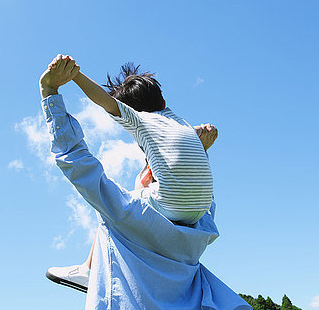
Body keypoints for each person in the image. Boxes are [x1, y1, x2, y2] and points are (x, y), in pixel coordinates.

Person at [40, 55, 252, 310]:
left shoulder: (127, 218)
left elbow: (76, 159)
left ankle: (87, 270)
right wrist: (199, 152)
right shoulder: (200, 230)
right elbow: (194, 185)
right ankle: (87, 270)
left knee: (107, 215)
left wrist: (50, 93)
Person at [46, 55, 217, 292]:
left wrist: (73, 75)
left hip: (171, 203)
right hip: (201, 211)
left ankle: (87, 270)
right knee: (144, 183)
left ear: (129, 111)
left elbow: (103, 100)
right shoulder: (182, 123)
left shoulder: (140, 120)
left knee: (111, 207)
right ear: (163, 100)